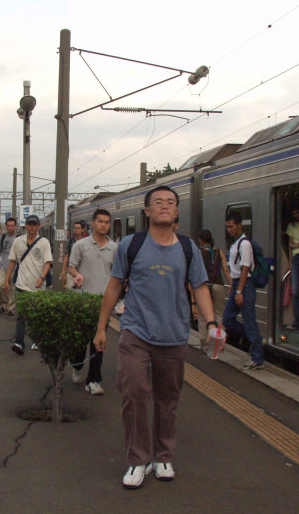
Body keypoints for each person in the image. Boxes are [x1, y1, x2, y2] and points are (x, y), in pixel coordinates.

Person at [93, 185, 219, 489]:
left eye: (170, 203)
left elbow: (200, 287)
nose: (165, 206)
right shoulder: (131, 245)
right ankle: (137, 460)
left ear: (177, 212)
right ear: (147, 211)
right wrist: (101, 327)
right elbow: (114, 286)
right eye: (158, 202)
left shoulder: (189, 249)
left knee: (167, 399)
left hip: (174, 336)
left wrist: (212, 323)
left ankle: (162, 456)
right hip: (135, 332)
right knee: (134, 393)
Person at [68, 209, 117, 395]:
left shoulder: (114, 248)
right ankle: (77, 365)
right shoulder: (80, 245)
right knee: (81, 342)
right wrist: (77, 275)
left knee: (99, 340)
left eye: (107, 222)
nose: (104, 225)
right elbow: (71, 267)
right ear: (93, 223)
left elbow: (117, 274)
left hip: (103, 303)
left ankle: (94, 379)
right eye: (100, 221)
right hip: (82, 300)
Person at [4, 214, 52, 355]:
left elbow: (47, 262)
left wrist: (42, 277)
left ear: (39, 226)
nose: (32, 227)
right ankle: (19, 343)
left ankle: (37, 339)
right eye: (29, 224)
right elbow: (12, 260)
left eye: (34, 225)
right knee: (21, 315)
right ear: (25, 226)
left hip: (37, 286)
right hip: (21, 285)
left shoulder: (44, 243)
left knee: (36, 314)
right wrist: (7, 279)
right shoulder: (18, 242)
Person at [223, 211, 264, 370]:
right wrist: (233, 286)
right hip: (237, 285)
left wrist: (239, 291)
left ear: (240, 226)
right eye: (227, 227)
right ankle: (253, 340)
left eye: (231, 226)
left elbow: (246, 268)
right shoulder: (236, 243)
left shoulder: (244, 244)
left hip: (244, 286)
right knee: (228, 320)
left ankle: (257, 358)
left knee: (249, 321)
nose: (229, 230)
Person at [195, 229, 229, 350]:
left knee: (203, 315)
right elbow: (225, 270)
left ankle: (204, 343)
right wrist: (232, 285)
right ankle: (218, 341)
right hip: (218, 285)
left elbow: (196, 271)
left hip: (205, 286)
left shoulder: (199, 253)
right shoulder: (220, 252)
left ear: (201, 240)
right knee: (219, 314)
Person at [0, 217, 18, 315]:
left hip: (15, 268)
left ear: (15, 226)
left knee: (12, 288)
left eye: (12, 225)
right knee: (0, 284)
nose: (10, 227)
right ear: (6, 226)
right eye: (8, 225)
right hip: (3, 266)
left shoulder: (19, 238)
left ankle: (11, 308)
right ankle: (5, 303)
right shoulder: (2, 237)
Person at [59, 220, 87, 288]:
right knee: (71, 290)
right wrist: (63, 270)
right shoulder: (70, 242)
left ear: (82, 229)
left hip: (83, 270)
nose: (76, 230)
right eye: (74, 228)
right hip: (71, 271)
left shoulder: (86, 242)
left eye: (78, 228)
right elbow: (66, 256)